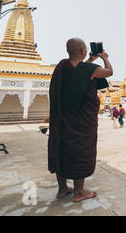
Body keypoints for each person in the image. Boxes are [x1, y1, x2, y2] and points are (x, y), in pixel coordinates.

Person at [48, 38, 113, 202]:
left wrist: (91, 60)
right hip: (81, 121)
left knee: (61, 147)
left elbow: (79, 72)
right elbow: (109, 72)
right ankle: (79, 192)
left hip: (62, 117)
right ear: (83, 51)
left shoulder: (62, 66)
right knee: (80, 149)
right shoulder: (89, 69)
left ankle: (62, 188)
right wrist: (104, 57)